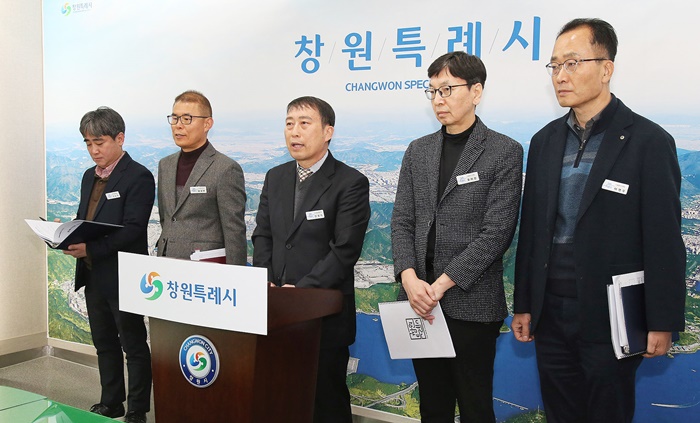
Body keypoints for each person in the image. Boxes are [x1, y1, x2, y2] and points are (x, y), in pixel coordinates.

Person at [512, 18, 686, 423]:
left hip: (613, 313)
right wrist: (524, 304)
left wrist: (661, 321)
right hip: (550, 312)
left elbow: (663, 239)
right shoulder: (544, 141)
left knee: (608, 412)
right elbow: (532, 231)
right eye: (554, 65)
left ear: (606, 68)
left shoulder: (648, 141)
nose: (560, 76)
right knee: (560, 412)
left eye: (572, 63)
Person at [391, 51, 523, 422]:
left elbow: (496, 233)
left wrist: (440, 286)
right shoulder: (418, 150)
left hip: (471, 303)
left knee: (475, 406)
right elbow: (402, 220)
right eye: (433, 91)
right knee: (432, 405)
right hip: (418, 300)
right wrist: (409, 278)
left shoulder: (504, 151)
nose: (438, 100)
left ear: (476, 91)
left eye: (447, 90)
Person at [252, 96, 370, 423]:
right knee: (281, 397)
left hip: (323, 314)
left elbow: (344, 250)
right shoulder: (275, 177)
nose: (295, 131)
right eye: (289, 123)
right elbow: (263, 235)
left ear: (328, 131)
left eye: (304, 123)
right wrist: (266, 281)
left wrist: (300, 292)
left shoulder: (350, 182)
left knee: (325, 401)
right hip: (276, 309)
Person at [64, 107, 155, 423]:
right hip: (92, 273)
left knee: (133, 345)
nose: (94, 150)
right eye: (88, 143)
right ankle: (111, 402)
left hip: (124, 275)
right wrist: (65, 234)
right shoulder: (88, 176)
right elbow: (84, 218)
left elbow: (133, 229)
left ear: (120, 138)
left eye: (99, 142)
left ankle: (137, 410)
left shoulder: (138, 176)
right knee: (104, 343)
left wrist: (90, 247)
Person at [157, 90, 247, 265]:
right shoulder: (165, 165)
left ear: (207, 124)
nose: (178, 125)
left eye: (187, 119)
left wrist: (236, 275)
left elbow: (234, 232)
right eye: (174, 118)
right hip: (166, 266)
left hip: (206, 268)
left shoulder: (225, 169)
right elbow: (166, 219)